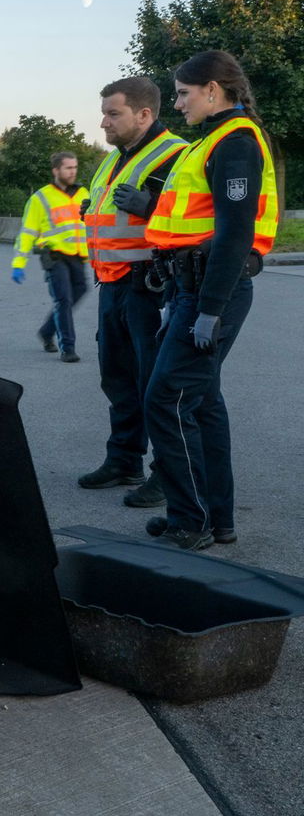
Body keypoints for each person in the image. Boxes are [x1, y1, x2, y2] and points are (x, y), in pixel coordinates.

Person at [141, 50, 277, 550]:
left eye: (182, 93)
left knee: (167, 398)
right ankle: (216, 518)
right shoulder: (212, 142)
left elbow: (235, 235)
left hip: (211, 291)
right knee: (202, 403)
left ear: (213, 90)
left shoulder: (236, 143)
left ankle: (189, 520)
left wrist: (209, 311)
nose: (176, 103)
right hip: (191, 288)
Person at [75, 78, 187, 509]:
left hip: (152, 284)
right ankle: (124, 460)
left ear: (144, 114)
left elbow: (196, 217)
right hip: (114, 283)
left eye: (113, 113)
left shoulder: (176, 155)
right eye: (103, 112)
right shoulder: (113, 159)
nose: (103, 122)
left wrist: (151, 207)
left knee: (155, 383)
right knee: (118, 376)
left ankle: (168, 474)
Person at [12, 152, 90, 362]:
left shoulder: (83, 193)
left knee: (80, 291)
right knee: (63, 299)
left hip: (77, 255)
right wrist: (19, 263)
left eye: (75, 167)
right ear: (56, 170)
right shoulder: (40, 198)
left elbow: (91, 225)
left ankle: (47, 332)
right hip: (53, 256)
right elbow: (27, 232)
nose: (73, 171)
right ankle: (68, 348)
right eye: (68, 168)